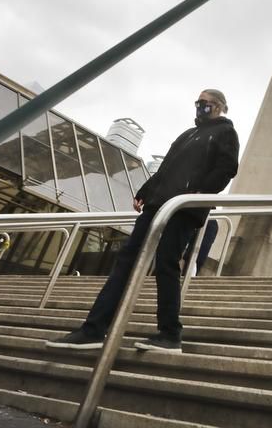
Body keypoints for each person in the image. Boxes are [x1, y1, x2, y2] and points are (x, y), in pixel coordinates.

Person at [45, 89, 239, 352]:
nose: (199, 107)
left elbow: (227, 168)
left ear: (218, 106)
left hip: (183, 208)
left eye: (205, 103)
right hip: (157, 205)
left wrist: (199, 192)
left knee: (166, 264)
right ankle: (93, 329)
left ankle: (170, 334)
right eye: (198, 102)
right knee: (126, 261)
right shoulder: (188, 135)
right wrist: (145, 191)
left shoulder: (225, 132)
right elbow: (167, 168)